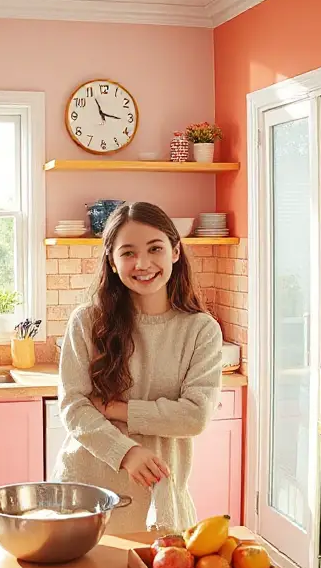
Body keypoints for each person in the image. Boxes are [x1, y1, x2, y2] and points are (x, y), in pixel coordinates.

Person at [53, 202, 223, 534]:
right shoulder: (87, 322)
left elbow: (194, 417)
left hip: (158, 494)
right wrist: (125, 452)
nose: (142, 263)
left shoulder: (201, 330)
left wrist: (116, 408)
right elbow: (73, 407)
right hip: (87, 491)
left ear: (175, 252)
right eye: (128, 253)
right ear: (112, 263)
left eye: (155, 248)